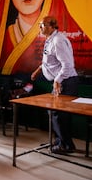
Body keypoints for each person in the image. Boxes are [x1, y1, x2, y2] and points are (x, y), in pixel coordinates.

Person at [31, 16, 79, 154]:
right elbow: (50, 61)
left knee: (58, 114)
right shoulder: (51, 39)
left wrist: (57, 80)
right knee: (55, 113)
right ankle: (61, 141)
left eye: (43, 25)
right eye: (40, 24)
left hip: (66, 82)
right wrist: (38, 70)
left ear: (52, 26)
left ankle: (65, 145)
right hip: (61, 81)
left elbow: (67, 65)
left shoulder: (58, 41)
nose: (40, 27)